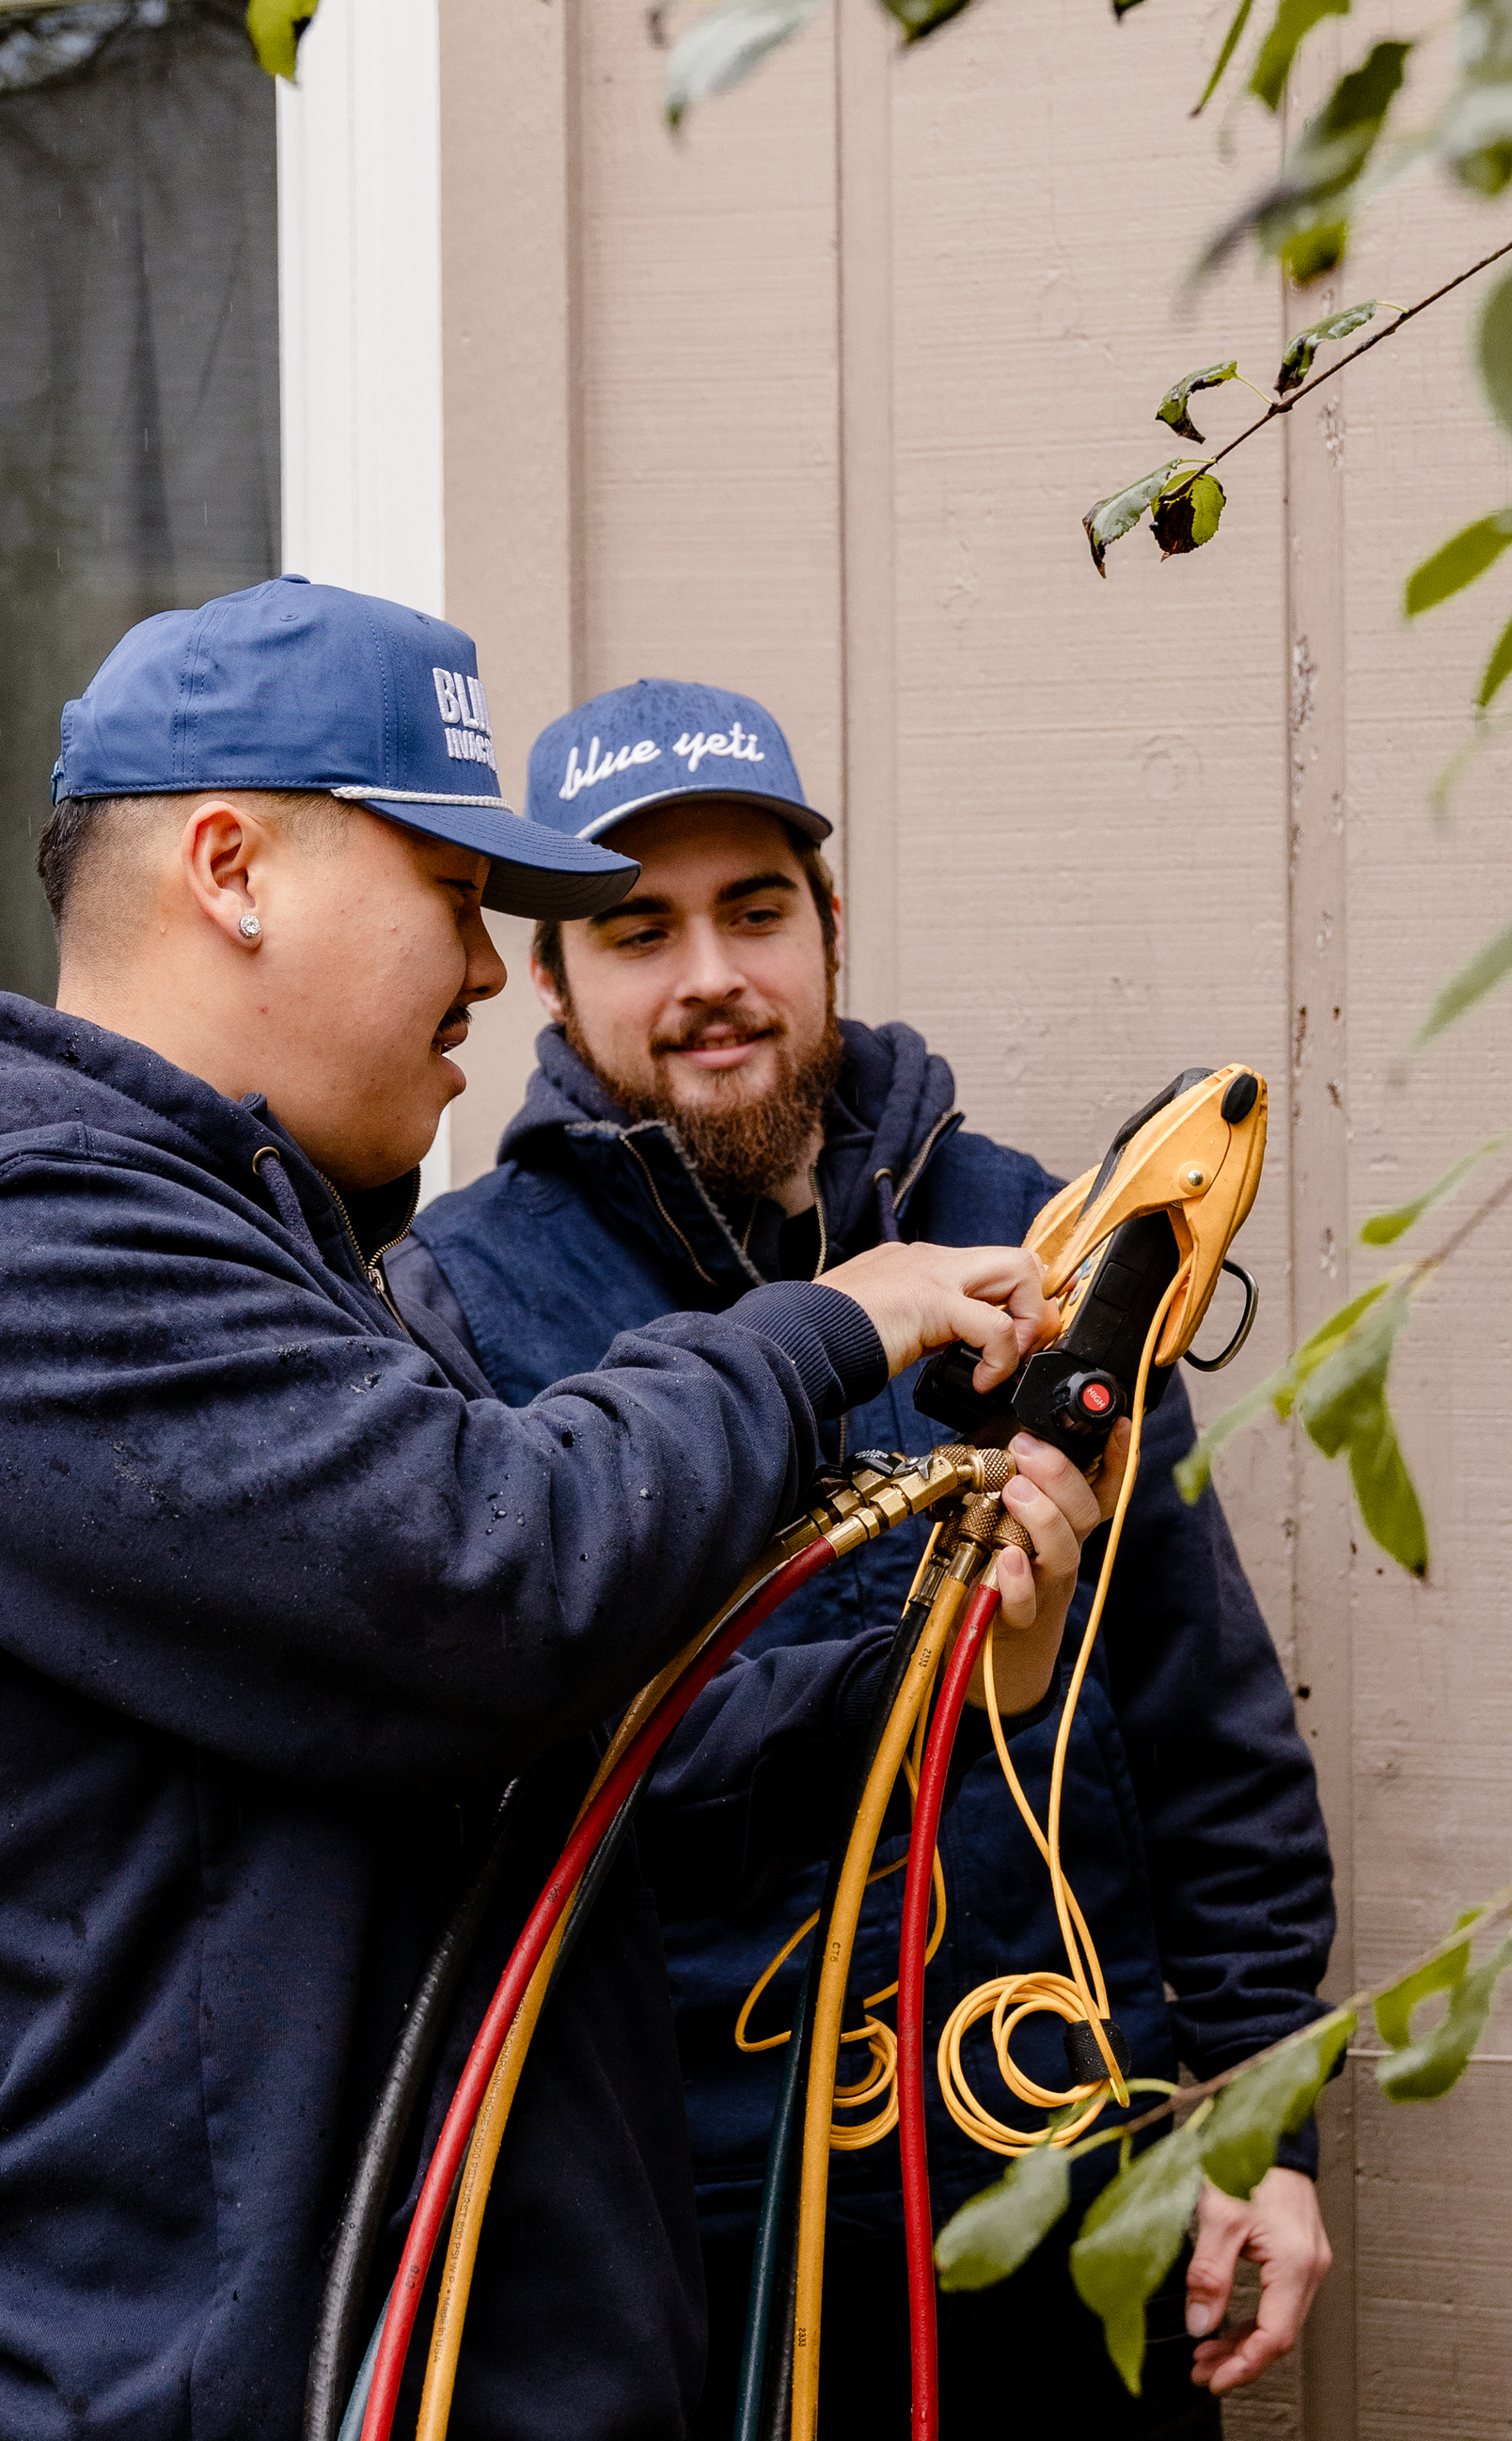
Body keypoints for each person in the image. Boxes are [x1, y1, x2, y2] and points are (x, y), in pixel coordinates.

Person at [0, 581, 1117, 2441]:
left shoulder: (265, 1254)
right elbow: (498, 1577)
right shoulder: (16, 1257)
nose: (494, 973)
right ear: (232, 865)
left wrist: (928, 1692)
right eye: (452, 894)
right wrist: (827, 1324)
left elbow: (532, 1772)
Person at [393, 677, 1340, 2438]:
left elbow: (1202, 1714)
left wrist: (1256, 2123)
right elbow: (521, 1763)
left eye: (755, 911)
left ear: (830, 926)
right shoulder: (466, 1299)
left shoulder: (1037, 1223)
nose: (709, 980)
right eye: (636, 930)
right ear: (551, 980)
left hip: (1073, 2168)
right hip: (697, 2221)